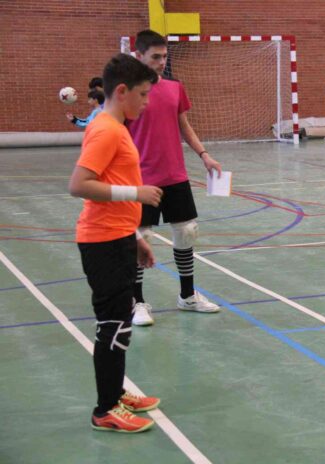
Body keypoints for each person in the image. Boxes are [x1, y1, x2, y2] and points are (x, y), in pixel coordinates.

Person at [69, 53, 162, 432]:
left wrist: (136, 236)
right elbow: (79, 184)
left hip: (118, 236)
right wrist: (136, 193)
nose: (147, 102)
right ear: (122, 91)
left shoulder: (116, 126)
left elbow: (111, 183)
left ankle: (117, 392)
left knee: (120, 322)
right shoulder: (107, 130)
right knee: (113, 325)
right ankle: (105, 408)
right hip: (102, 242)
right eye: (143, 94)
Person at [128, 29, 222, 326]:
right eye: (155, 56)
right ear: (138, 55)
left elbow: (184, 125)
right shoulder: (126, 91)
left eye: (164, 56)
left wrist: (204, 154)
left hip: (175, 175)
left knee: (186, 232)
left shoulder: (174, 87)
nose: (161, 62)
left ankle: (187, 296)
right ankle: (137, 302)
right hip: (140, 179)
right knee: (140, 237)